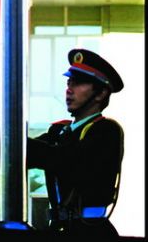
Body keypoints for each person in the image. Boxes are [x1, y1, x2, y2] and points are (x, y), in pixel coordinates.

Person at [27, 48, 125, 237]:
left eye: (78, 83)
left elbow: (65, 160)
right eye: (69, 82)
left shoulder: (106, 131)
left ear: (100, 93)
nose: (69, 89)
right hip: (61, 228)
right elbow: (24, 154)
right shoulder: (60, 131)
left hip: (91, 231)